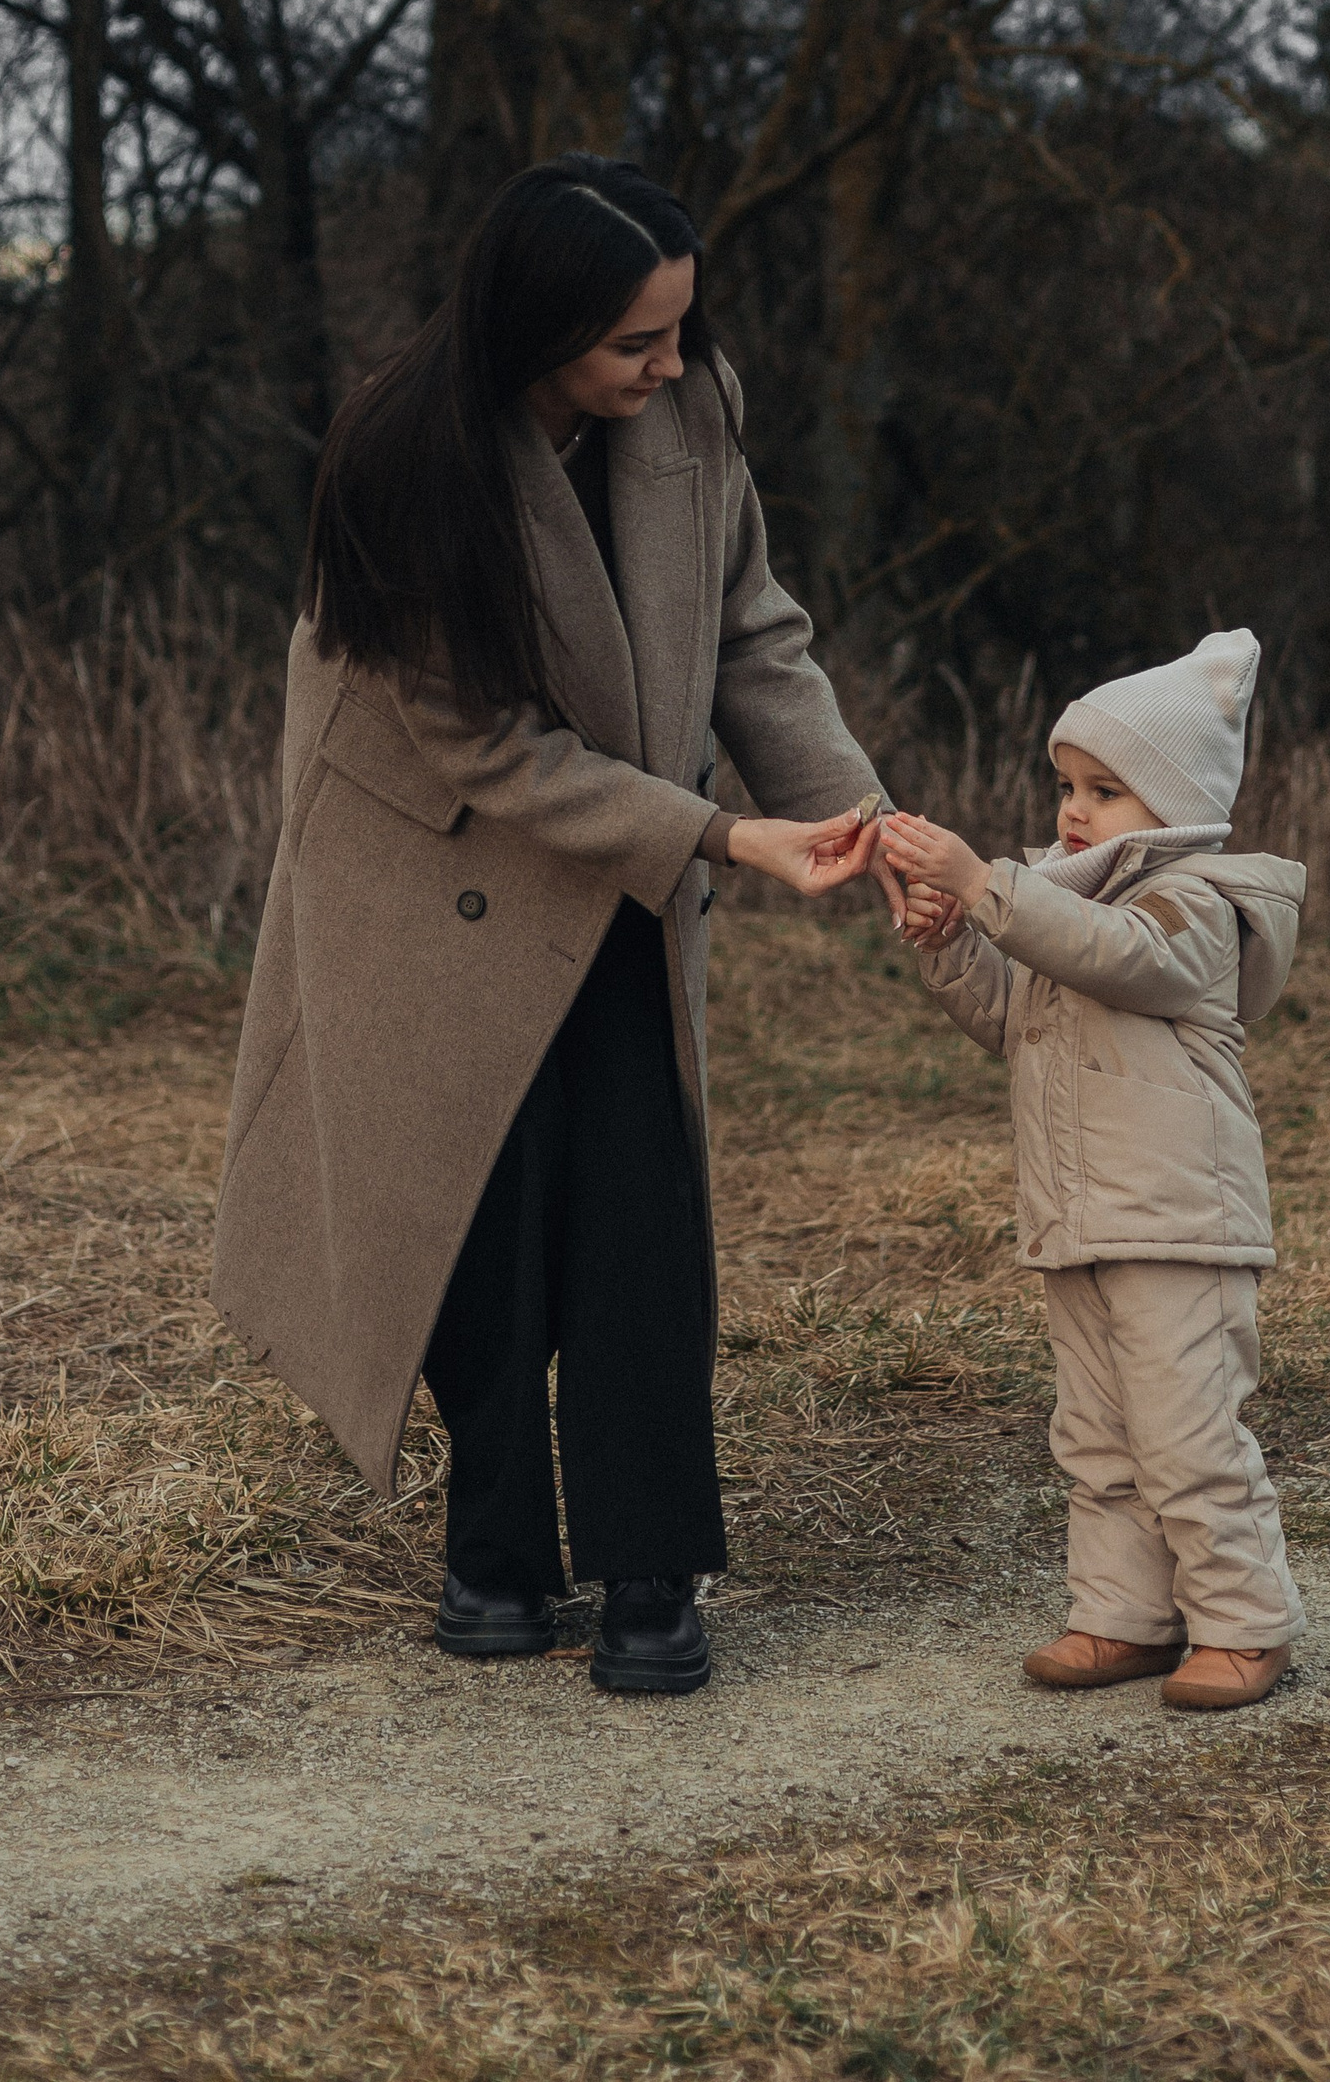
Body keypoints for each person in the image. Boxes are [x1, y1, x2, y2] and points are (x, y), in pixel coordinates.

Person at [212, 156, 886, 1698]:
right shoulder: (400, 455)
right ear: (534, 328)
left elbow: (755, 638)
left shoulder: (692, 405)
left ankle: (653, 1569)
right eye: (634, 343)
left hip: (629, 867)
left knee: (643, 1214)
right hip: (432, 877)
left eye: (679, 329)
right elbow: (487, 752)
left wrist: (871, 824)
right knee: (480, 1222)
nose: (671, 364)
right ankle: (496, 1549)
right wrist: (721, 832)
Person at [877, 629, 1308, 1712]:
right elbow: (1008, 1015)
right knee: (1099, 1434)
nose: (1073, 808)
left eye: (1106, 789)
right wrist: (949, 940)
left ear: (1178, 802)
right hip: (1076, 1217)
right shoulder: (1061, 907)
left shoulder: (1199, 903)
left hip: (1179, 1224)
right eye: (1065, 783)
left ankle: (1245, 1623)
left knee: (1187, 1430)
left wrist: (986, 882)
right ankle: (1125, 1615)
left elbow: (1124, 958)